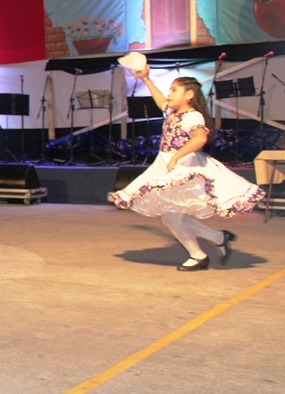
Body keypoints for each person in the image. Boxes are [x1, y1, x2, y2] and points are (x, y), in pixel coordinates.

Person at [110, 66, 265, 270]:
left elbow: (200, 138)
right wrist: (146, 79)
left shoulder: (192, 116)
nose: (169, 94)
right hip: (168, 163)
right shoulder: (173, 112)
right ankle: (218, 238)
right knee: (170, 217)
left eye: (174, 90)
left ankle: (200, 255)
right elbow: (160, 101)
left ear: (189, 95)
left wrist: (177, 156)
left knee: (171, 218)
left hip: (183, 166)